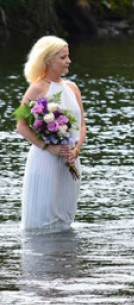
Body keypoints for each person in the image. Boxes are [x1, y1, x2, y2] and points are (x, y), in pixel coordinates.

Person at [16, 36, 85, 232]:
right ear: (48, 60)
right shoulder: (37, 88)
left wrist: (76, 150)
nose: (69, 61)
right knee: (42, 218)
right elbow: (21, 126)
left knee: (65, 218)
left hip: (70, 160)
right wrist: (50, 147)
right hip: (45, 159)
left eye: (68, 56)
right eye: (63, 57)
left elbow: (81, 126)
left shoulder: (72, 88)